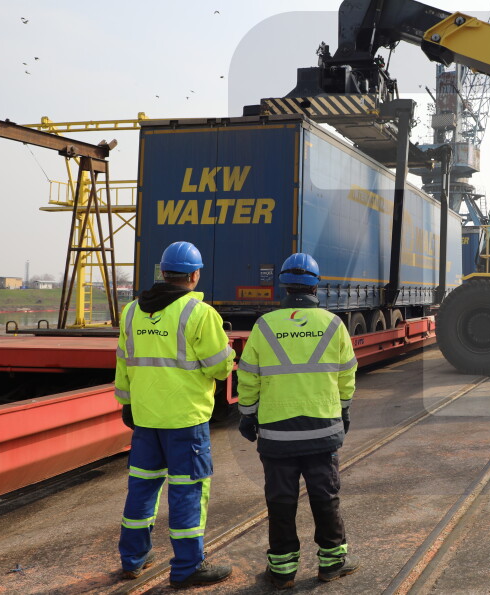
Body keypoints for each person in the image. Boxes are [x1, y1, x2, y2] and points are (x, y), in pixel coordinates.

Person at [114, 241, 235, 589]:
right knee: (187, 491)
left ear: (163, 272)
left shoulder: (132, 312)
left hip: (145, 418)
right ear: (194, 275)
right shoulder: (199, 314)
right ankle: (188, 567)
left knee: (141, 488)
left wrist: (127, 403)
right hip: (185, 420)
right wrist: (228, 354)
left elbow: (124, 362)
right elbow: (219, 369)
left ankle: (132, 559)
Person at [237, 252, 358, 589]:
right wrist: (344, 409)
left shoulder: (264, 326)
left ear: (284, 286)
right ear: (315, 286)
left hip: (277, 435)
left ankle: (282, 569)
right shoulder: (334, 325)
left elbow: (248, 377)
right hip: (322, 430)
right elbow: (347, 374)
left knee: (280, 499)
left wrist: (248, 415)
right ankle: (333, 563)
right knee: (325, 495)